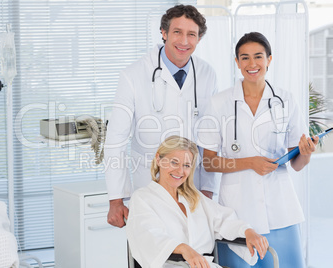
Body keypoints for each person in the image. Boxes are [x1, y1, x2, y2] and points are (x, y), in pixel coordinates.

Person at [198, 32, 319, 268]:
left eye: (258, 57)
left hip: (281, 210)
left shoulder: (285, 100)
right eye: (244, 58)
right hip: (238, 211)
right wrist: (249, 162)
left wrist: (306, 152)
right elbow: (209, 162)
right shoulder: (218, 103)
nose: (252, 64)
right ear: (237, 63)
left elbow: (297, 163)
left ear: (269, 60)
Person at [104, 4, 219, 228]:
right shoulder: (133, 75)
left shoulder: (207, 74)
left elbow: (211, 138)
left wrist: (208, 188)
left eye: (191, 34)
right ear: (164, 33)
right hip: (149, 186)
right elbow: (115, 139)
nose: (184, 41)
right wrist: (116, 199)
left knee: (197, 254)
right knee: (152, 254)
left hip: (193, 188)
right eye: (177, 32)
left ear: (199, 38)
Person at [126, 135, 269, 268]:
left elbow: (224, 219)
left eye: (186, 165)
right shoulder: (143, 198)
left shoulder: (194, 198)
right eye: (174, 162)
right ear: (158, 159)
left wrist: (248, 231)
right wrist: (184, 249)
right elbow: (149, 237)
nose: (180, 171)